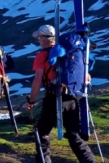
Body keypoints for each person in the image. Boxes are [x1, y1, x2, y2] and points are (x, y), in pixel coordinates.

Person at [24, 24, 95, 163]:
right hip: (72, 98)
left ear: (44, 39)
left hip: (54, 97)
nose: (39, 40)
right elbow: (86, 76)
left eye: (39, 37)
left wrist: (31, 101)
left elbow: (38, 80)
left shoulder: (43, 55)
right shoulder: (71, 53)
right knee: (74, 135)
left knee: (42, 133)